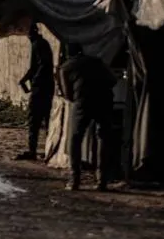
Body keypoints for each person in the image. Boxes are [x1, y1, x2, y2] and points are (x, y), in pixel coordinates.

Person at [59, 44, 118, 191]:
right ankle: (102, 180)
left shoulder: (66, 68)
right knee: (103, 137)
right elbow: (113, 80)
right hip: (104, 100)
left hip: (83, 102)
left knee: (75, 137)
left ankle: (75, 180)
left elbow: (68, 95)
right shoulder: (96, 62)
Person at [15, 23, 55, 161]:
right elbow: (35, 67)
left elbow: (42, 65)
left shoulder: (39, 44)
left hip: (41, 88)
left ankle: (35, 151)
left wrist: (34, 81)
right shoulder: (39, 44)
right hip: (44, 87)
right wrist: (24, 79)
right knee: (43, 119)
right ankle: (44, 150)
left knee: (36, 120)